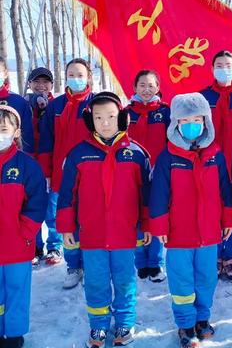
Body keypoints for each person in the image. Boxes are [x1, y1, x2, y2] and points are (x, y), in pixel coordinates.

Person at [57, 92, 151, 348]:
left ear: (121, 117)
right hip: (92, 234)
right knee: (96, 281)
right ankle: (98, 325)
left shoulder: (137, 154)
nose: (105, 123)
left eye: (111, 116)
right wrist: (66, 226)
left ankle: (124, 321)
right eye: (98, 118)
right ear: (90, 121)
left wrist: (147, 225)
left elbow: (146, 196)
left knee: (125, 280)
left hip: (125, 233)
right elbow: (67, 194)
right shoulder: (78, 154)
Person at [149, 93, 232, 348]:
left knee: (207, 277)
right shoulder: (167, 157)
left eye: (197, 119)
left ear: (205, 121)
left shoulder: (215, 154)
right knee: (181, 280)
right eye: (185, 120)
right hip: (179, 234)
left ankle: (202, 318)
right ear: (175, 124)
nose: (191, 125)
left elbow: (225, 189)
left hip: (209, 233)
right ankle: (186, 323)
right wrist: (160, 225)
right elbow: (158, 195)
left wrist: (228, 218)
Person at [38, 58, 95, 289]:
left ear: (89, 76)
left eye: (80, 74)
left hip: (92, 174)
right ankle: (74, 265)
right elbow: (46, 141)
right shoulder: (56, 106)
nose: (76, 78)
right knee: (67, 222)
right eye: (72, 74)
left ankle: (91, 265)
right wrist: (47, 171)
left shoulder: (98, 103)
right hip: (62, 175)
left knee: (90, 221)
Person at [200, 50, 232, 282]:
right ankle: (213, 256)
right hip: (209, 163)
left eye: (228, 65)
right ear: (212, 69)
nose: (223, 68)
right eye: (219, 64)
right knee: (212, 209)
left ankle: (230, 258)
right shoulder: (202, 97)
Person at [0, 105, 47, 348]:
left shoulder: (27, 165)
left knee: (16, 290)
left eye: (3, 129)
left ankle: (14, 332)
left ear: (16, 132)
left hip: (17, 245)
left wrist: (26, 232)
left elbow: (38, 202)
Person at [127, 70, 170, 283]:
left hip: (158, 174)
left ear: (158, 87)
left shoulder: (165, 112)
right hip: (131, 173)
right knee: (135, 217)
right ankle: (140, 262)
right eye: (142, 85)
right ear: (134, 87)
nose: (146, 89)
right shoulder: (124, 113)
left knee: (155, 216)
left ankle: (156, 263)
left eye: (151, 85)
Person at [25, 67, 62, 266]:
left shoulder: (56, 106)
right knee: (32, 207)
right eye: (36, 82)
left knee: (52, 208)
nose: (41, 85)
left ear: (51, 85)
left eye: (45, 82)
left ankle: (55, 245)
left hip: (51, 164)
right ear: (29, 84)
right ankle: (35, 246)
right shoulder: (23, 105)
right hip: (29, 165)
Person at [0, 57, 34, 155]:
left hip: (12, 161)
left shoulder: (17, 101)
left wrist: (26, 159)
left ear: (5, 73)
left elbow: (26, 136)